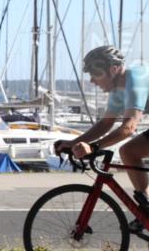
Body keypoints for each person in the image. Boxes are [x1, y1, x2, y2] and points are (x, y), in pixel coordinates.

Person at [55, 46, 149, 229]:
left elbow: (128, 127)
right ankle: (146, 207)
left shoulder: (134, 79)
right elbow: (105, 124)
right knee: (128, 152)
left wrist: (94, 147)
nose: (91, 80)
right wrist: (73, 142)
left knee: (128, 150)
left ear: (113, 70)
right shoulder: (118, 89)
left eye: (95, 74)